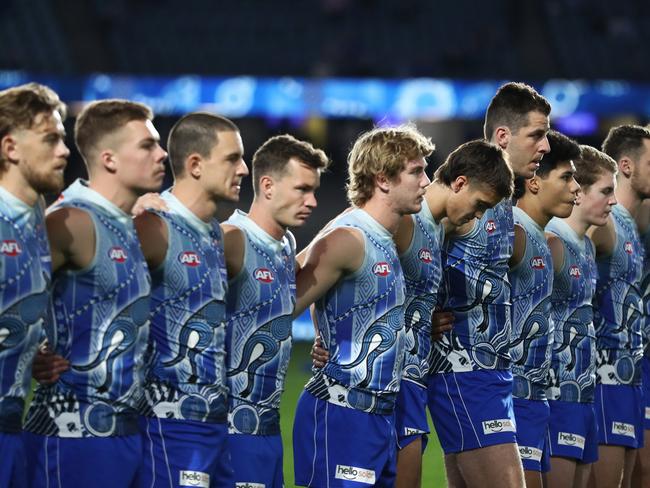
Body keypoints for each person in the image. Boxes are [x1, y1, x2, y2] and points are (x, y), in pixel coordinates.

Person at [311, 139, 515, 488]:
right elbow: (322, 257)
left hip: (411, 381)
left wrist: (420, 316)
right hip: (386, 383)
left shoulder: (437, 225)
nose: (479, 215)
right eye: (479, 204)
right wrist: (327, 335)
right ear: (460, 183)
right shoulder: (405, 219)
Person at [22, 99, 167, 487]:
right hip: (71, 439)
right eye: (147, 145)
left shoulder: (131, 223)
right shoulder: (70, 221)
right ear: (109, 159)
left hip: (126, 436)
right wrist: (28, 350)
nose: (162, 153)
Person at [292, 125, 431, 487]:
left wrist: (325, 332)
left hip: (379, 418)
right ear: (383, 179)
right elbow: (284, 298)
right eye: (416, 171)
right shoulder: (350, 236)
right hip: (341, 413)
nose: (426, 182)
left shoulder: (382, 236)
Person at [428, 82, 550, 488]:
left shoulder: (501, 202)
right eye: (536, 134)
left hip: (491, 374)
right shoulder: (457, 195)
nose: (545, 146)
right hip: (463, 371)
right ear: (503, 137)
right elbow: (383, 246)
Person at [135, 112, 249, 487]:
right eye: (233, 158)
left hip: (214, 423)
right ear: (196, 164)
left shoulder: (214, 232)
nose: (244, 169)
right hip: (170, 425)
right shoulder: (153, 224)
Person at [222, 134, 329, 488]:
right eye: (302, 189)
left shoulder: (285, 244)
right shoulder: (231, 239)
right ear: (267, 185)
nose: (312, 201)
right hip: (230, 430)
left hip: (268, 428)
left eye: (314, 191)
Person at [0, 83, 69, 487]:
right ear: (11, 148)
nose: (64, 150)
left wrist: (29, 347)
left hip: (13, 428)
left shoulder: (34, 218)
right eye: (50, 139)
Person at [507, 130, 581, 488]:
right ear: (534, 182)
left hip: (537, 397)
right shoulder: (513, 231)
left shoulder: (542, 238)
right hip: (510, 396)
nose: (575, 188)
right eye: (566, 177)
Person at [544, 146, 618, 488]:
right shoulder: (552, 241)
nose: (613, 201)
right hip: (556, 395)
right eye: (605, 191)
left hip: (583, 394)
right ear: (580, 191)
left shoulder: (586, 245)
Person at [588, 125, 650, 487]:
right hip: (602, 376)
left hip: (631, 374)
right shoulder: (605, 224)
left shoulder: (632, 223)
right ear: (626, 166)